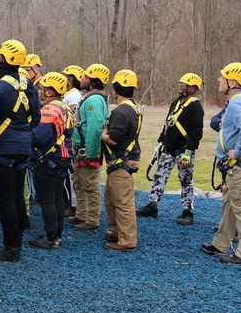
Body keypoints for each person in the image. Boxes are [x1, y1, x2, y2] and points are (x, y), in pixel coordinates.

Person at [0, 39, 39, 262]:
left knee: (6, 199)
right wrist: (22, 133)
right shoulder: (29, 86)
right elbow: (36, 117)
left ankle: (11, 248)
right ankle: (16, 243)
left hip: (2, 149)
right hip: (23, 147)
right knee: (17, 197)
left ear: (3, 60)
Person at [201, 63, 241, 265]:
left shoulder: (237, 103)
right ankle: (220, 244)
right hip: (237, 162)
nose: (219, 80)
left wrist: (237, 150)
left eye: (223, 77)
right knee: (229, 203)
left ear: (233, 82)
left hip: (239, 163)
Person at [137, 73, 204, 226]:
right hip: (169, 148)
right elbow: (168, 123)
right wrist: (161, 141)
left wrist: (189, 151)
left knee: (186, 180)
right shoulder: (176, 103)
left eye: (184, 84)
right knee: (159, 175)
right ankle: (152, 206)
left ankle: (187, 212)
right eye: (180, 83)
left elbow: (197, 132)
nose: (181, 86)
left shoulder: (195, 106)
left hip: (184, 150)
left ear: (193, 88)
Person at [28, 72, 74, 251]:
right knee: (57, 198)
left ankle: (51, 238)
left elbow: (39, 137)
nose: (40, 91)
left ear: (49, 92)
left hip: (49, 160)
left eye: (42, 88)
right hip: (63, 158)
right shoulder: (65, 107)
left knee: (47, 199)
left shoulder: (48, 110)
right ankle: (56, 233)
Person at [101, 70, 142, 252]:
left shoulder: (121, 112)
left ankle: (126, 241)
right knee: (110, 199)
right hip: (124, 161)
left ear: (116, 89)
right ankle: (117, 231)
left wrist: (102, 135)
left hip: (121, 162)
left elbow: (113, 139)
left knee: (122, 202)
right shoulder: (134, 108)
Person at [70, 63, 111, 233]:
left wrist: (91, 152)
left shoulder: (94, 100)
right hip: (81, 149)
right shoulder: (89, 97)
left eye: (86, 77)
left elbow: (95, 128)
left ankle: (92, 219)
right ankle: (81, 214)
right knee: (79, 182)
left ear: (94, 81)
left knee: (90, 185)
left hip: (87, 150)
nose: (82, 79)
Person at [61, 65, 85, 218]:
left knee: (71, 174)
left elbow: (71, 116)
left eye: (68, 76)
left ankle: (73, 205)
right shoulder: (69, 93)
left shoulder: (74, 95)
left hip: (70, 138)